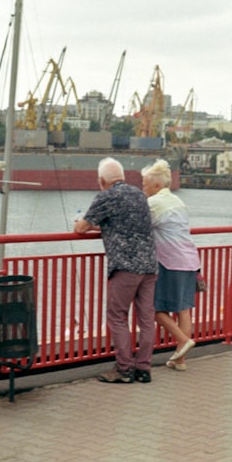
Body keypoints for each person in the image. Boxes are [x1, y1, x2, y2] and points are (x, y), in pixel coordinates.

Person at [74, 157, 158, 384]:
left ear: (102, 180)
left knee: (117, 316)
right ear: (122, 176)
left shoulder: (106, 196)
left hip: (126, 266)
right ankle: (143, 368)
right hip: (150, 265)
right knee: (146, 318)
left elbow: (82, 228)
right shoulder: (140, 195)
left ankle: (124, 369)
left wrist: (78, 222)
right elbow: (128, 221)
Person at [141, 159, 200, 371]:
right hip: (190, 260)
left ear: (157, 186)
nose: (143, 188)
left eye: (145, 184)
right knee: (184, 310)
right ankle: (180, 360)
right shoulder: (178, 202)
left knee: (153, 307)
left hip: (170, 261)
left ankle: (183, 340)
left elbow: (138, 226)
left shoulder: (154, 203)